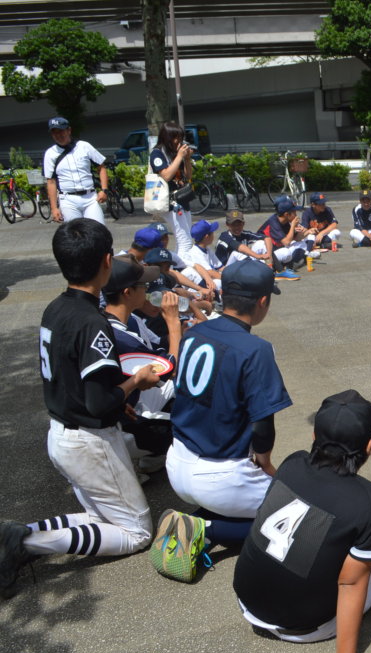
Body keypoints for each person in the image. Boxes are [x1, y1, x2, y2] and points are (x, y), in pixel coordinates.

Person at [0, 219, 162, 598]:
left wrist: (119, 400)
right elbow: (100, 401)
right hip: (88, 442)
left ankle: (19, 534)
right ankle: (25, 545)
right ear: (107, 261)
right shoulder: (92, 322)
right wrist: (135, 383)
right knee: (136, 533)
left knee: (103, 517)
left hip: (61, 433)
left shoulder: (55, 308)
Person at [233, 390, 371, 653]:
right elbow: (351, 582)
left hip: (246, 602)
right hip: (308, 627)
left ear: (315, 437)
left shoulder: (292, 462)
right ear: (369, 446)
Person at [158, 259, 292, 555]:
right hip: (222, 475)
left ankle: (201, 516)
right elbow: (262, 423)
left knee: (240, 500)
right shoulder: (256, 349)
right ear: (262, 301)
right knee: (297, 515)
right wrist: (266, 464)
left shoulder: (193, 333)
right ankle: (204, 528)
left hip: (178, 460)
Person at [101, 257, 181, 471]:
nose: (147, 288)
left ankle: (151, 459)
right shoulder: (121, 337)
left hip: (126, 404)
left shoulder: (125, 319)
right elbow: (168, 370)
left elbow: (158, 351)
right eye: (142, 285)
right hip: (123, 426)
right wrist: (173, 322)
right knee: (197, 419)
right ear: (127, 292)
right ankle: (144, 455)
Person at [43, 116, 109, 224]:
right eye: (54, 133)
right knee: (75, 234)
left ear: (69, 130)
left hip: (90, 198)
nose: (58, 135)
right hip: (68, 200)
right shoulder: (50, 154)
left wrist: (104, 190)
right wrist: (54, 208)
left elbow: (101, 167)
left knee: (98, 229)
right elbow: (51, 181)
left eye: (61, 131)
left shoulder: (84, 146)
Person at [149, 121, 195, 256]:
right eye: (174, 137)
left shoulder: (174, 153)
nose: (177, 141)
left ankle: (177, 265)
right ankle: (183, 269)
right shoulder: (157, 154)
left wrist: (186, 159)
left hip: (182, 199)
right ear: (165, 137)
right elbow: (166, 175)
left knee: (187, 237)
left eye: (179, 138)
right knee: (184, 241)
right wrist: (179, 156)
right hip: (169, 201)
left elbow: (188, 176)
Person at [258, 197, 307, 279]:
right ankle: (279, 270)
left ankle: (287, 265)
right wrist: (293, 226)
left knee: (302, 244)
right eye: (294, 212)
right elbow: (286, 242)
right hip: (264, 256)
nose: (296, 215)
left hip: (275, 251)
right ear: (287, 214)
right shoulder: (274, 222)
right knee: (286, 252)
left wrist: (303, 231)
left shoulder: (285, 222)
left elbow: (297, 238)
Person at [183, 220, 223, 292]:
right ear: (206, 236)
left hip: (208, 282)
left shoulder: (207, 248)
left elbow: (220, 267)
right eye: (212, 233)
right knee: (221, 283)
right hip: (197, 287)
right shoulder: (195, 252)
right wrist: (229, 279)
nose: (213, 234)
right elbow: (210, 273)